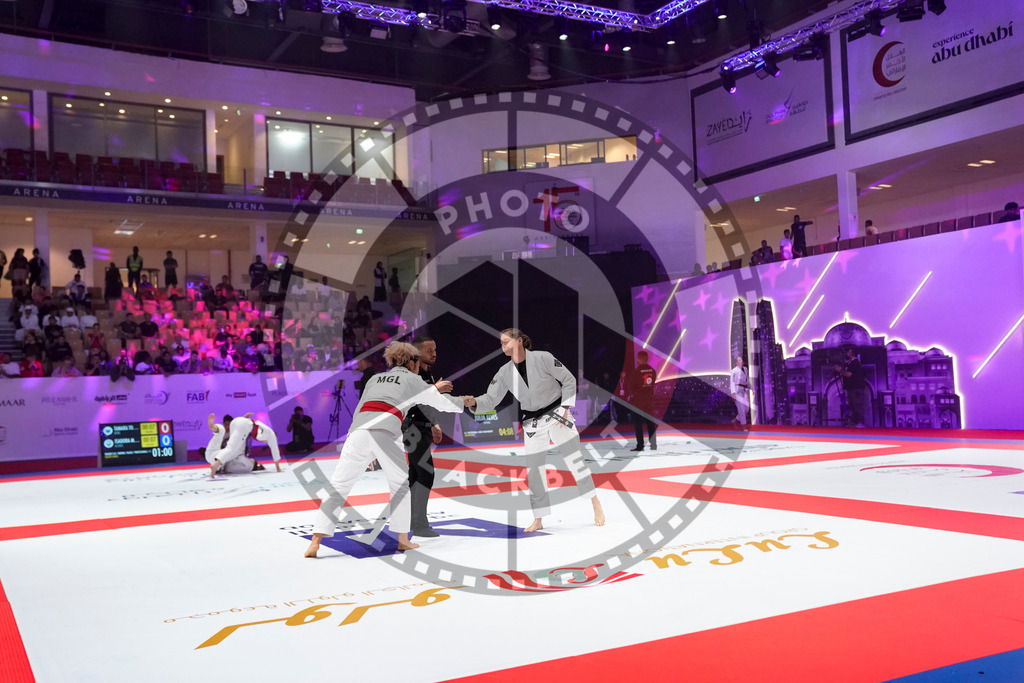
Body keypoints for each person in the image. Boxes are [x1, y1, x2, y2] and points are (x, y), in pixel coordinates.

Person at [303, 341, 468, 558]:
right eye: (417, 363)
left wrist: (366, 449)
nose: (418, 367)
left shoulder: (374, 378)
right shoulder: (412, 378)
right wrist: (465, 402)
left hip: (358, 432)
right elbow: (439, 402)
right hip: (386, 430)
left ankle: (316, 541)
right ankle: (402, 540)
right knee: (400, 486)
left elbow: (363, 405)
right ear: (411, 362)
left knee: (339, 486)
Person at [464, 328, 605, 533]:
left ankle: (594, 502)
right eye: (501, 342)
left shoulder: (543, 358)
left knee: (575, 461)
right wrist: (473, 402)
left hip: (558, 414)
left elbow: (568, 380)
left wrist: (565, 408)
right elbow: (490, 399)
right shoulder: (504, 372)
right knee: (535, 471)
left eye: (506, 341)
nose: (502, 345)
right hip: (532, 422)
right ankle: (539, 517)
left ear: (519, 341)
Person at [402, 336, 451, 538]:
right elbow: (414, 400)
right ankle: (419, 524)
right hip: (411, 427)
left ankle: (412, 520)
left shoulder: (426, 374)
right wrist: (434, 390)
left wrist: (434, 423)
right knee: (425, 473)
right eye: (430, 350)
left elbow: (426, 403)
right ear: (418, 352)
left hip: (420, 427)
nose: (434, 354)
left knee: (415, 474)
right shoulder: (412, 374)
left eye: (435, 349)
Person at [203, 413, 284, 477]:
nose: (264, 442)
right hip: (243, 426)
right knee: (231, 448)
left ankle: (215, 428)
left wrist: (245, 416)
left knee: (224, 436)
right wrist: (278, 468)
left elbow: (245, 423)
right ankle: (217, 465)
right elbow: (275, 452)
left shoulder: (263, 429)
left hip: (237, 422)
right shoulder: (271, 436)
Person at [628, 350, 657, 452]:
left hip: (638, 402)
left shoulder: (635, 372)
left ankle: (640, 445)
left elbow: (630, 388)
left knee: (638, 424)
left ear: (638, 359)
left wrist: (633, 396)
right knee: (650, 423)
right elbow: (652, 385)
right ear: (647, 359)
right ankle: (653, 445)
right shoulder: (653, 371)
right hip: (649, 400)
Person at [834, 347, 869, 427]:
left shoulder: (855, 363)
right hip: (852, 388)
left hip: (856, 388)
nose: (846, 354)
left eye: (848, 352)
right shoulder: (850, 363)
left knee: (857, 405)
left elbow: (849, 374)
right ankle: (855, 422)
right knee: (853, 405)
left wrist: (840, 370)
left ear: (851, 353)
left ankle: (860, 422)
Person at [730, 355, 750, 430]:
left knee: (746, 409)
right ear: (736, 363)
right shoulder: (734, 371)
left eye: (741, 359)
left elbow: (747, 381)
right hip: (737, 390)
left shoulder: (745, 369)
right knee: (741, 409)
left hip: (744, 391)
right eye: (739, 360)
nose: (741, 360)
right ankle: (743, 427)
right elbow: (732, 382)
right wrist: (733, 393)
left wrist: (751, 389)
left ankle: (735, 420)